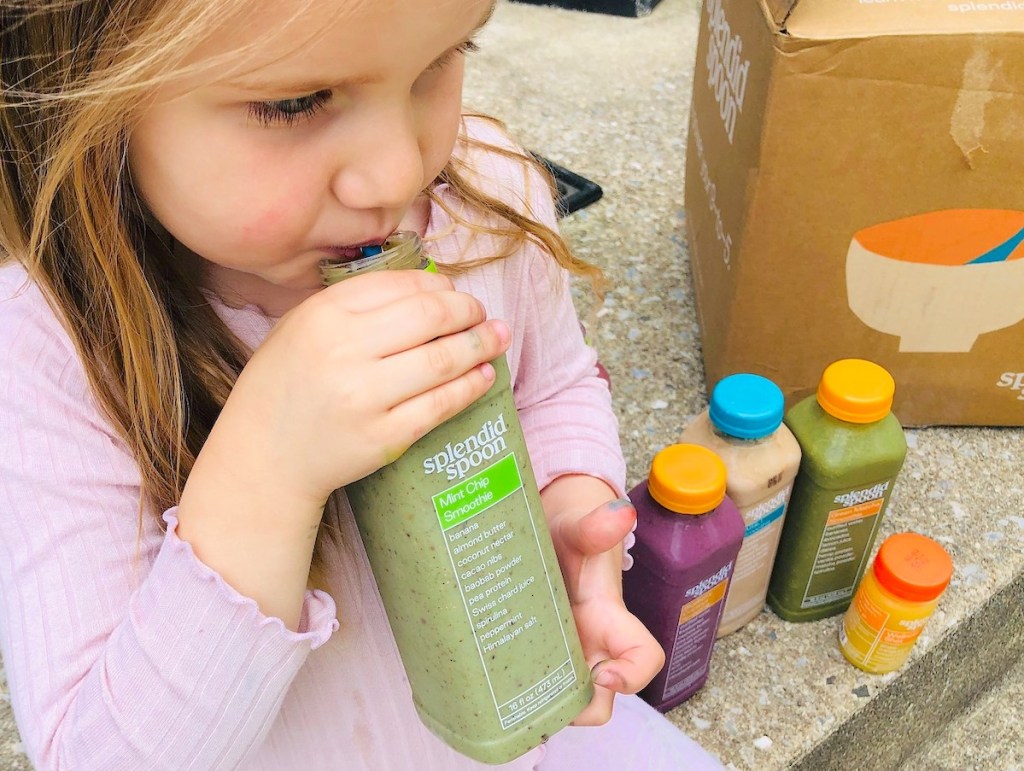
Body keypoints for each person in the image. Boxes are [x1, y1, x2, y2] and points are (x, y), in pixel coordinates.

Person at [0, 0, 724, 769]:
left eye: (441, 57)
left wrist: (572, 500)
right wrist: (266, 471)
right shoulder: (50, 353)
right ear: (87, 92)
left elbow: (554, 387)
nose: (400, 172)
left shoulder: (483, 198)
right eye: (295, 102)